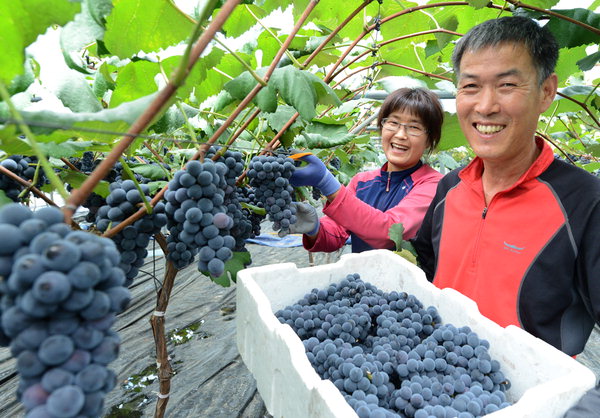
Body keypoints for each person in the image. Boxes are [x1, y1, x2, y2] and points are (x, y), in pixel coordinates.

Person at [412, 16, 600, 356]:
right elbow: (425, 265)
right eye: (470, 86)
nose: (485, 106)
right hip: (431, 383)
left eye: (507, 85)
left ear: (546, 92)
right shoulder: (450, 187)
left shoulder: (586, 202)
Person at [285, 87, 444, 253]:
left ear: (429, 140)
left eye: (414, 127)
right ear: (382, 127)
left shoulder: (434, 185)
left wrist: (326, 183)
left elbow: (390, 232)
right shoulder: (361, 181)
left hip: (407, 279)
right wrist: (314, 229)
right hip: (362, 278)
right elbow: (336, 234)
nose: (400, 134)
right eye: (393, 123)